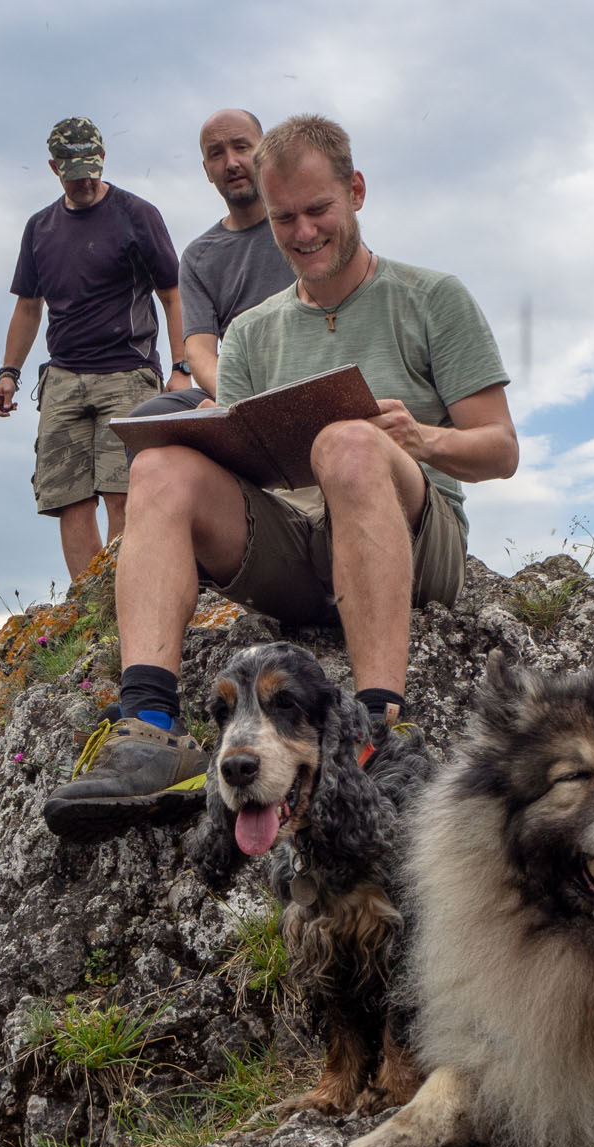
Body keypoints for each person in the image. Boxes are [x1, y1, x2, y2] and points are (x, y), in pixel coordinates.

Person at [43, 114, 518, 838]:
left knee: (348, 445)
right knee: (162, 467)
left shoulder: (430, 297)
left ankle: (378, 725)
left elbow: (500, 449)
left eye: (319, 210)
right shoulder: (254, 333)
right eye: (284, 217)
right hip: (296, 550)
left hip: (415, 543)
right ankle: (148, 727)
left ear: (356, 192)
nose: (302, 233)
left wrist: (421, 438)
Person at [0, 117, 191, 580]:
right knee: (68, 498)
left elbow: (173, 294)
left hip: (128, 372)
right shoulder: (40, 227)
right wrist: (8, 373)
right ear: (52, 167)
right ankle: (90, 607)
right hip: (62, 378)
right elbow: (27, 308)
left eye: (91, 169)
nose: (83, 180)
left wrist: (182, 368)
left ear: (102, 160)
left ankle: (127, 595)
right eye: (72, 171)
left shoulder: (137, 214)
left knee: (124, 492)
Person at [129, 108, 296, 417]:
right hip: (236, 389)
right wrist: (239, 399)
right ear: (207, 170)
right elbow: (200, 350)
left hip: (306, 375)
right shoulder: (197, 258)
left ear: (266, 151)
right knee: (146, 419)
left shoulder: (303, 226)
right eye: (217, 154)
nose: (231, 163)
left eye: (242, 147)